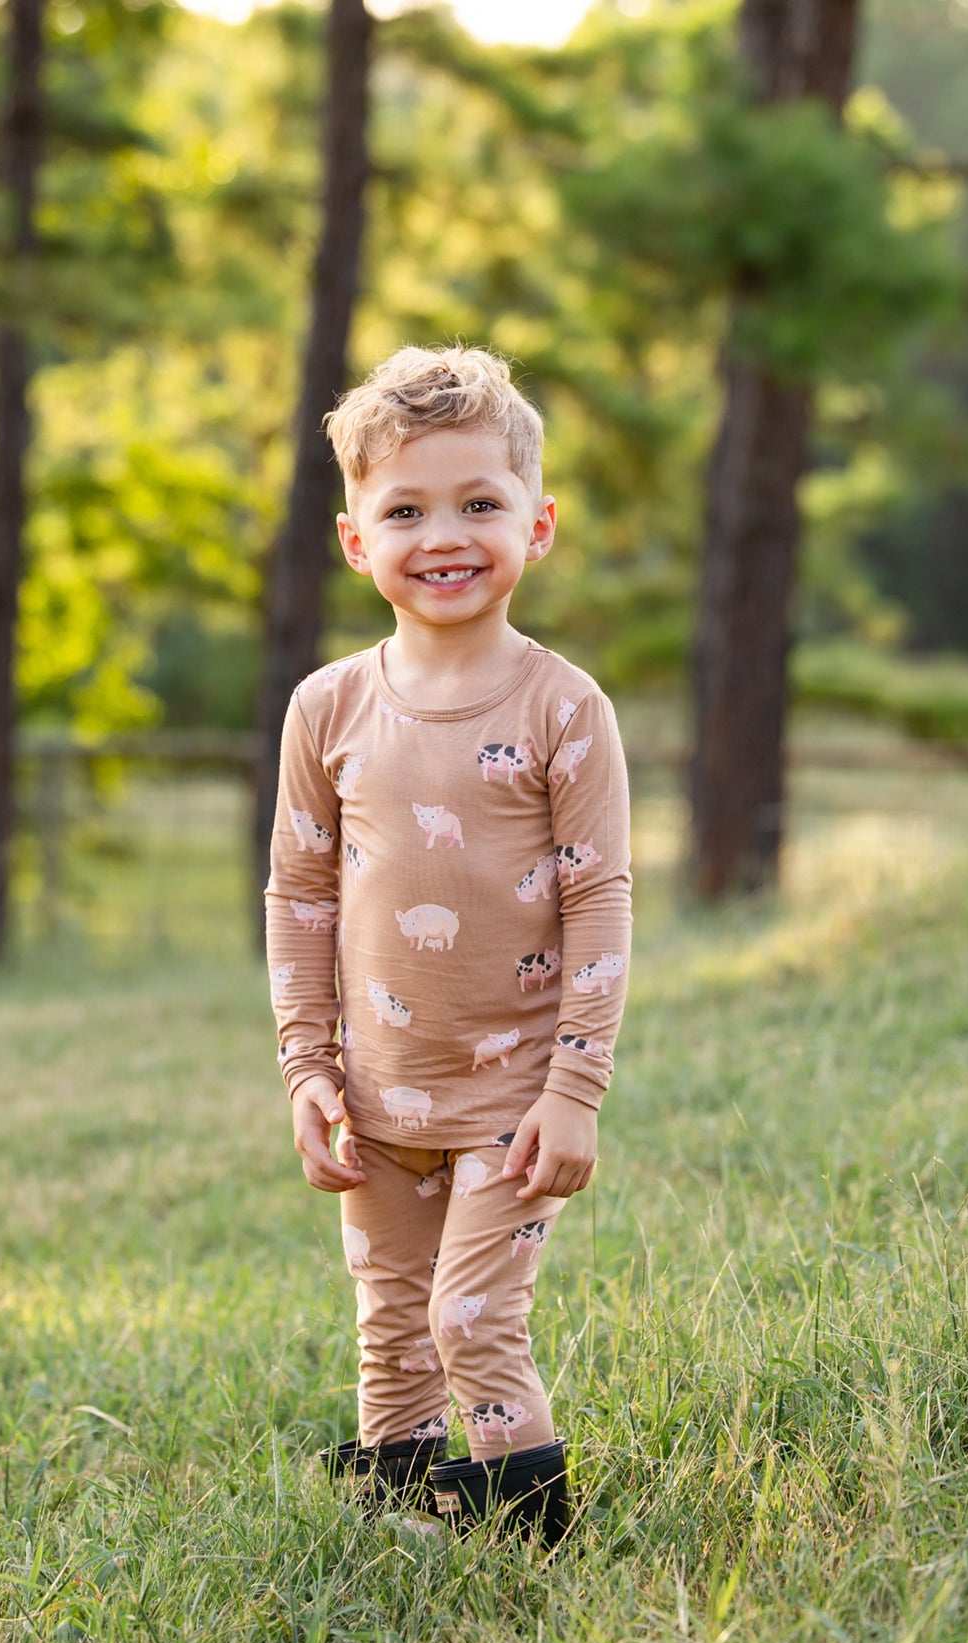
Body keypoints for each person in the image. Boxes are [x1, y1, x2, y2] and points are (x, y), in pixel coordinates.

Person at [264, 345, 633, 1547]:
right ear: (356, 539)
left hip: (510, 1104)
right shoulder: (329, 708)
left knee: (470, 1317)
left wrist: (574, 1091)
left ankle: (530, 1547)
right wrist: (308, 1070)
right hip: (372, 1099)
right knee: (389, 1320)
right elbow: (299, 893)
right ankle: (401, 1532)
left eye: (482, 503)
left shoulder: (563, 708)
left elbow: (600, 902)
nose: (447, 535)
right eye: (407, 509)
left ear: (540, 524)